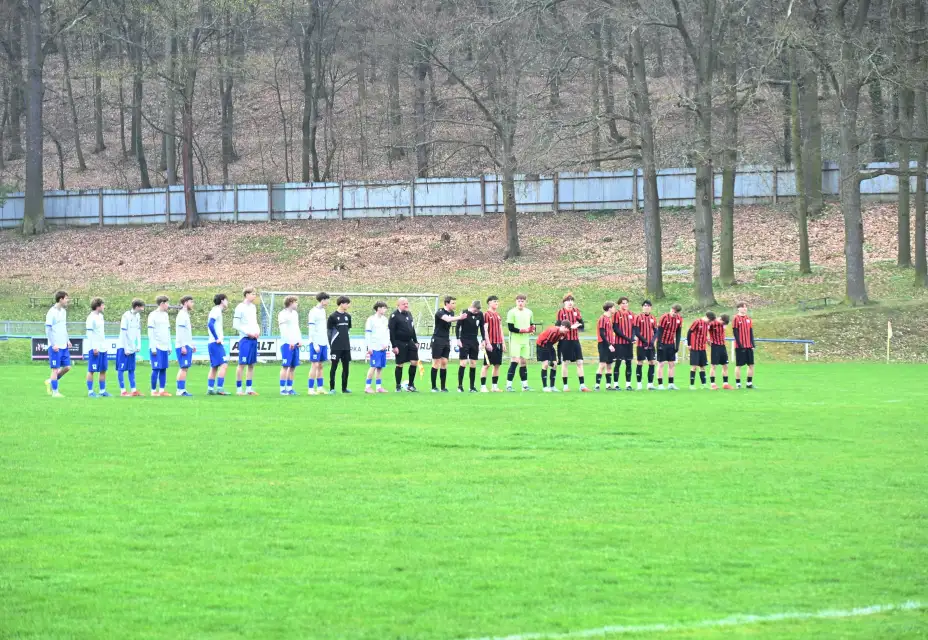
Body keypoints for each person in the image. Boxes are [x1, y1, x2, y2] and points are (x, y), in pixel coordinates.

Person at [431, 295, 467, 392]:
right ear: (447, 303)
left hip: (446, 340)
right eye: (453, 303)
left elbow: (451, 318)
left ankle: (443, 387)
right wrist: (460, 317)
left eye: (455, 303)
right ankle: (433, 387)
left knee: (444, 362)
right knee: (436, 363)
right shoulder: (440, 312)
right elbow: (447, 319)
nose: (454, 305)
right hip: (437, 339)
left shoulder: (452, 312)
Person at [233, 288, 261, 396]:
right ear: (247, 294)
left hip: (254, 338)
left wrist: (257, 331)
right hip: (245, 339)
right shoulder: (240, 307)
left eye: (255, 294)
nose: (254, 296)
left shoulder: (253, 307)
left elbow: (255, 322)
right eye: (253, 294)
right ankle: (239, 389)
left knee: (251, 364)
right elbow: (236, 324)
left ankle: (249, 389)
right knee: (242, 364)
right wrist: (247, 332)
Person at [556, 293, 587, 391]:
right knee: (565, 362)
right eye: (568, 301)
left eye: (571, 301)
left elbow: (582, 324)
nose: (570, 303)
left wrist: (578, 325)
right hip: (565, 341)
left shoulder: (576, 311)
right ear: (564, 302)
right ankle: (565, 386)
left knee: (580, 362)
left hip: (575, 340)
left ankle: (582, 386)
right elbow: (557, 327)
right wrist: (570, 327)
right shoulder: (561, 312)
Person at [44, 291, 72, 398]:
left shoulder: (64, 311)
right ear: (61, 299)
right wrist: (53, 344)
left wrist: (68, 340)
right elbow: (48, 329)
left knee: (67, 367)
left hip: (63, 345)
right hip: (55, 346)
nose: (68, 300)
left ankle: (50, 381)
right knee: (55, 369)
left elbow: (63, 327)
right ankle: (55, 392)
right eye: (66, 298)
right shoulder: (51, 312)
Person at [389, 297, 420, 392]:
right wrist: (394, 346)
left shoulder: (409, 314)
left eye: (407, 303)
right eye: (404, 304)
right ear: (398, 305)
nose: (406, 305)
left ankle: (410, 385)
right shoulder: (394, 316)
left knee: (414, 361)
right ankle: (398, 386)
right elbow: (392, 332)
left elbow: (412, 328)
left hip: (410, 341)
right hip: (399, 342)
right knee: (400, 364)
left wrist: (415, 341)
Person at [505, 294, 535, 392]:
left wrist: (532, 329)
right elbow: (511, 328)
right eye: (519, 301)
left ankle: (525, 386)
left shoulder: (529, 312)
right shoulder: (512, 312)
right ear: (516, 301)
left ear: (525, 302)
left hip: (525, 341)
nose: (520, 303)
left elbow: (531, 324)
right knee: (515, 361)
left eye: (522, 301)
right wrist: (523, 330)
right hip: (515, 340)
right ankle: (508, 386)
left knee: (523, 362)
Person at [456, 300, 486, 393]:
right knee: (463, 363)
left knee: (473, 363)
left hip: (474, 341)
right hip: (464, 340)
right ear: (472, 307)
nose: (476, 312)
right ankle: (460, 386)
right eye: (475, 310)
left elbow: (482, 327)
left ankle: (472, 386)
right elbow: (457, 326)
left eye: (477, 311)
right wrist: (458, 339)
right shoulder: (464, 313)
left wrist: (483, 339)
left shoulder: (480, 314)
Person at [117, 299, 145, 397]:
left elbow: (138, 331)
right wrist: (125, 348)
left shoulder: (138, 316)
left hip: (132, 346)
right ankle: (123, 391)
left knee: (131, 369)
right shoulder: (126, 316)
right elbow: (123, 333)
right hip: (123, 346)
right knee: (121, 369)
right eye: (142, 307)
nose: (143, 309)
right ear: (137, 307)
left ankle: (133, 390)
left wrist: (138, 344)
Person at [85, 297, 111, 397]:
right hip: (94, 348)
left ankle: (102, 391)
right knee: (91, 370)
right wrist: (94, 347)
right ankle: (90, 391)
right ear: (98, 306)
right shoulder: (91, 318)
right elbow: (89, 334)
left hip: (103, 347)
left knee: (103, 369)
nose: (104, 307)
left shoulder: (101, 316)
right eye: (103, 305)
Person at [147, 296, 172, 397]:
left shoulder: (166, 315)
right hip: (156, 346)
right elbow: (150, 332)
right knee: (156, 369)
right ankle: (153, 391)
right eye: (167, 303)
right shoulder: (152, 315)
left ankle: (162, 390)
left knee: (163, 368)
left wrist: (169, 345)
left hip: (164, 346)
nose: (168, 305)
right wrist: (153, 347)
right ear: (162, 303)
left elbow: (168, 330)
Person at [306, 292, 330, 395]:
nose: (328, 302)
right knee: (314, 365)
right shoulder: (313, 312)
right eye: (327, 300)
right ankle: (310, 389)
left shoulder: (323, 311)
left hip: (323, 342)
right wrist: (315, 344)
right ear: (322, 300)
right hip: (315, 342)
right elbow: (311, 329)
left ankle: (320, 388)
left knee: (320, 365)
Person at [480, 295, 506, 393]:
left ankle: (494, 386)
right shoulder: (486, 314)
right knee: (487, 364)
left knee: (497, 365)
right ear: (489, 303)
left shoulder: (498, 315)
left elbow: (500, 329)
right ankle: (483, 386)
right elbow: (485, 329)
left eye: (497, 301)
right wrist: (488, 343)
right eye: (494, 301)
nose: (496, 303)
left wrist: (503, 343)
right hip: (490, 343)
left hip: (498, 343)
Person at [327, 296, 353, 394]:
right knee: (334, 367)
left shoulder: (348, 316)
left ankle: (344, 388)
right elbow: (329, 333)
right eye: (347, 303)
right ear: (341, 304)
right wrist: (331, 345)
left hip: (346, 347)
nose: (348, 305)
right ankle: (332, 388)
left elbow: (347, 330)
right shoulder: (332, 316)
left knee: (346, 368)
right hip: (336, 347)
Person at [537, 321, 571, 392]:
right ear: (563, 326)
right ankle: (545, 387)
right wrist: (550, 359)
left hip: (550, 346)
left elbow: (560, 346)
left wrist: (559, 358)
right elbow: (547, 343)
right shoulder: (554, 331)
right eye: (566, 329)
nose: (566, 331)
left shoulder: (564, 334)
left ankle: (552, 387)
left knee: (555, 365)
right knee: (545, 364)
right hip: (542, 345)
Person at [365, 301, 391, 393]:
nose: (385, 310)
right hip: (374, 347)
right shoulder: (371, 319)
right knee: (373, 366)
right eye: (384, 308)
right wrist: (369, 347)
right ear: (378, 308)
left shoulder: (385, 319)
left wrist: (386, 343)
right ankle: (367, 387)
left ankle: (378, 387)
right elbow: (368, 333)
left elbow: (387, 333)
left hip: (382, 347)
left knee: (380, 367)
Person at [278, 295, 302, 396]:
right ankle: (282, 389)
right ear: (291, 302)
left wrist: (299, 339)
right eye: (296, 302)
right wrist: (290, 341)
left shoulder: (295, 314)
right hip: (286, 344)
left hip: (295, 343)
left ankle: (289, 388)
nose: (297, 304)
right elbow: (283, 330)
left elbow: (296, 327)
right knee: (285, 366)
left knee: (292, 367)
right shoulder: (282, 314)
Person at [655, 304, 683, 390]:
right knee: (661, 363)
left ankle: (671, 384)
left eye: (676, 312)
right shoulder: (664, 317)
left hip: (671, 343)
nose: (674, 313)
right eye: (673, 311)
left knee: (672, 364)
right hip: (662, 343)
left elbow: (678, 333)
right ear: (671, 309)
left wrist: (677, 345)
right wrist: (659, 344)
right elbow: (659, 332)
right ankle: (660, 384)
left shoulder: (679, 319)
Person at [207, 294, 231, 396]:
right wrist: (217, 338)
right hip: (215, 343)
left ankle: (210, 389)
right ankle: (220, 389)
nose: (227, 302)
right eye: (226, 300)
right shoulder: (216, 310)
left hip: (212, 343)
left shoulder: (216, 310)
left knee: (214, 367)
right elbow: (210, 324)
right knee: (224, 365)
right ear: (222, 300)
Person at [633, 300, 658, 391]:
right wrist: (644, 341)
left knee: (652, 362)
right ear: (642, 307)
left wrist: (652, 341)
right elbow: (636, 332)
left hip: (650, 345)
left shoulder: (653, 318)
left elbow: (656, 331)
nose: (646, 307)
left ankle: (650, 384)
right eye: (645, 306)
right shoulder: (638, 317)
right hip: (641, 344)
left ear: (650, 307)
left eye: (648, 306)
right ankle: (639, 384)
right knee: (640, 362)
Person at [613, 296, 636, 391]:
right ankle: (616, 384)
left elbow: (634, 327)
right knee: (618, 362)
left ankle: (628, 385)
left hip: (629, 343)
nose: (625, 304)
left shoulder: (631, 314)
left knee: (629, 363)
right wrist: (627, 338)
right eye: (623, 303)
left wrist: (632, 337)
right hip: (619, 343)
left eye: (626, 303)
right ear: (619, 304)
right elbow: (615, 329)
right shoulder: (616, 314)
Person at [594, 302, 618, 391]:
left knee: (609, 365)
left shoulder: (609, 319)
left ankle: (608, 386)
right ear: (609, 308)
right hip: (604, 344)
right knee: (602, 364)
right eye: (613, 307)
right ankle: (597, 385)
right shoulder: (602, 319)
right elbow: (602, 333)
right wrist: (609, 345)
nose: (615, 309)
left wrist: (612, 343)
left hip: (610, 344)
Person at [175, 295, 196, 396]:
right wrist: (183, 345)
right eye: (191, 302)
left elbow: (187, 332)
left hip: (187, 345)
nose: (192, 304)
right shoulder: (182, 315)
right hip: (183, 345)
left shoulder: (185, 314)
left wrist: (191, 344)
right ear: (185, 302)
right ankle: (180, 390)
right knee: (184, 367)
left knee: (184, 368)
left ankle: (180, 389)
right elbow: (180, 331)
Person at [732, 302, 756, 388]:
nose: (744, 308)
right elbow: (735, 332)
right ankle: (738, 384)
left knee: (751, 365)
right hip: (740, 346)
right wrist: (740, 344)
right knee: (739, 365)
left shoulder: (748, 318)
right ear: (738, 308)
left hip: (749, 346)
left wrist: (753, 344)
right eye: (742, 307)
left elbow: (750, 332)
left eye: (745, 307)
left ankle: (749, 383)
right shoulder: (736, 318)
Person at [708, 313, 733, 390]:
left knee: (725, 365)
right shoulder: (712, 323)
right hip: (715, 346)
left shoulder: (723, 325)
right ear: (720, 319)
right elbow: (705, 330)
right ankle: (713, 384)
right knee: (714, 365)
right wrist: (707, 340)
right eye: (723, 323)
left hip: (722, 346)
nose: (724, 325)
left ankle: (725, 384)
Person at [687, 312, 710, 390]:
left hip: (702, 348)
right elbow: (689, 332)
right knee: (694, 366)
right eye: (709, 320)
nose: (709, 322)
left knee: (702, 366)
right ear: (706, 317)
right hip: (695, 348)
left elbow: (704, 334)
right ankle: (691, 385)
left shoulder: (707, 324)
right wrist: (689, 344)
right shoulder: (697, 322)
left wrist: (707, 340)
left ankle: (704, 384)